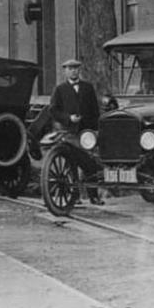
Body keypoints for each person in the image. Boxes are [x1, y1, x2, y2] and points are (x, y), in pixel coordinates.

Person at [50, 58, 102, 204]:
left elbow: (95, 110)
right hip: (69, 133)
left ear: (79, 70)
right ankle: (74, 196)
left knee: (90, 163)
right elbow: (53, 110)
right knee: (71, 163)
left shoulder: (88, 87)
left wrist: (95, 129)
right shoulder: (60, 89)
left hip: (87, 132)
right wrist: (68, 118)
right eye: (70, 68)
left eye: (75, 68)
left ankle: (94, 196)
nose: (73, 71)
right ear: (65, 71)